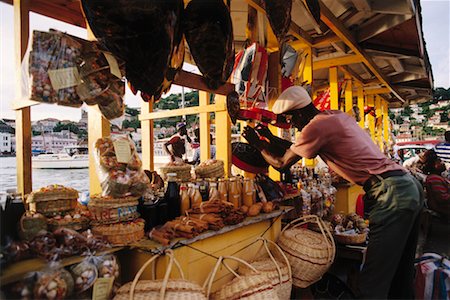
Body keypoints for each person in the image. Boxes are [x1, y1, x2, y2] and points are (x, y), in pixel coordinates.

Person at [242, 86, 424, 299]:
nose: (293, 125)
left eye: (291, 120)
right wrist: (269, 138)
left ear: (299, 113)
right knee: (400, 275)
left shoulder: (315, 128)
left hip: (391, 193)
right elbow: (295, 148)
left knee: (373, 283)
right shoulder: (332, 117)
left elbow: (282, 163)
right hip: (407, 186)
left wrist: (257, 144)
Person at [422, 149, 450, 219]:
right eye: (440, 161)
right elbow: (443, 198)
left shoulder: (437, 177)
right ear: (435, 164)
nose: (443, 163)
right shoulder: (435, 179)